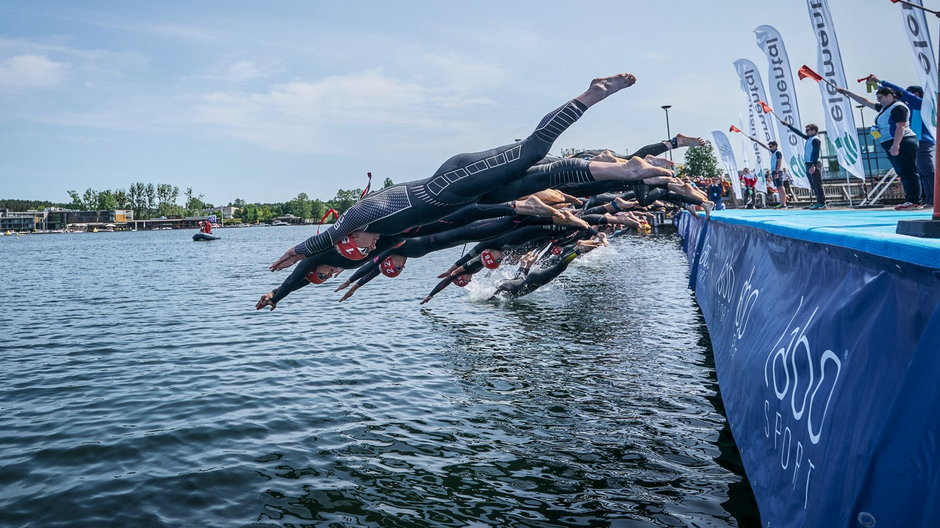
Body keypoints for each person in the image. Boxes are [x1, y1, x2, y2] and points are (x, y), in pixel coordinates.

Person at [269, 73, 675, 271]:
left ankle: (593, 92)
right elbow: (353, 259)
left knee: (532, 150)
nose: (372, 244)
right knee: (548, 177)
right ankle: (627, 169)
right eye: (370, 248)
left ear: (355, 234)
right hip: (470, 197)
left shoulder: (361, 217)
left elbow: (325, 240)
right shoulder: (385, 235)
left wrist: (293, 256)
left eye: (364, 244)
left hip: (453, 180)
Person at [838, 85, 922, 210]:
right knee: (902, 173)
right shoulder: (884, 108)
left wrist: (896, 144)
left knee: (909, 171)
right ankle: (910, 200)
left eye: (880, 97)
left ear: (890, 96)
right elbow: (865, 102)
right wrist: (847, 92)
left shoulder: (898, 107)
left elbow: (901, 126)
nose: (878, 100)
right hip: (890, 142)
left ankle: (915, 201)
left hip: (902, 141)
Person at [869, 77, 934, 206]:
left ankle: (933, 199)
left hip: (923, 140)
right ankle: (928, 198)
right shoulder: (907, 106)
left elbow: (903, 94)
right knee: (920, 171)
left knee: (926, 170)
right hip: (915, 140)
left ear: (916, 94)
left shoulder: (920, 103)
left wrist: (882, 81)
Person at [780, 121, 825, 209]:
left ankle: (822, 202)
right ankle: (818, 202)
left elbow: (816, 153)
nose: (806, 132)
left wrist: (813, 165)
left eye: (808, 130)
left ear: (814, 130)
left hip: (814, 163)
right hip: (808, 163)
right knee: (813, 184)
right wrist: (788, 125)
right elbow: (799, 133)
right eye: (806, 130)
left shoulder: (816, 139)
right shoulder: (809, 139)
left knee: (817, 183)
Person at [768, 141, 788, 208]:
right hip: (774, 171)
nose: (770, 148)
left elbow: (779, 162)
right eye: (769, 147)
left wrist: (777, 172)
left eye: (771, 146)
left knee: (781, 187)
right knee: (778, 188)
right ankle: (781, 203)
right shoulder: (773, 153)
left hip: (778, 171)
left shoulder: (778, 153)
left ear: (775, 146)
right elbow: (764, 147)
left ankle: (784, 203)